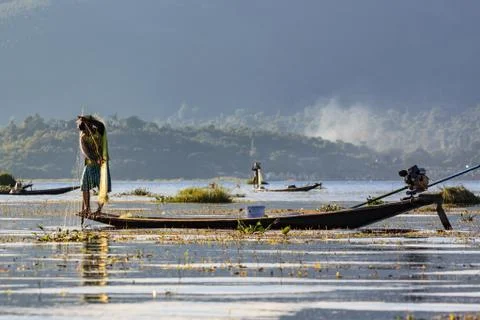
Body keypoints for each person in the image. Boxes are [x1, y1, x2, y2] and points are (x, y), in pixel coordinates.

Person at [77, 115, 111, 216]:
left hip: (102, 164)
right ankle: (87, 209)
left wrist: (88, 120)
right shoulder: (83, 137)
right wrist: (95, 159)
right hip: (91, 164)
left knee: (102, 187)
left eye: (87, 128)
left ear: (91, 125)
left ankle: (99, 210)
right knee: (84, 185)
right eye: (84, 130)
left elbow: (101, 125)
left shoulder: (99, 131)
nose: (86, 132)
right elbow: (85, 151)